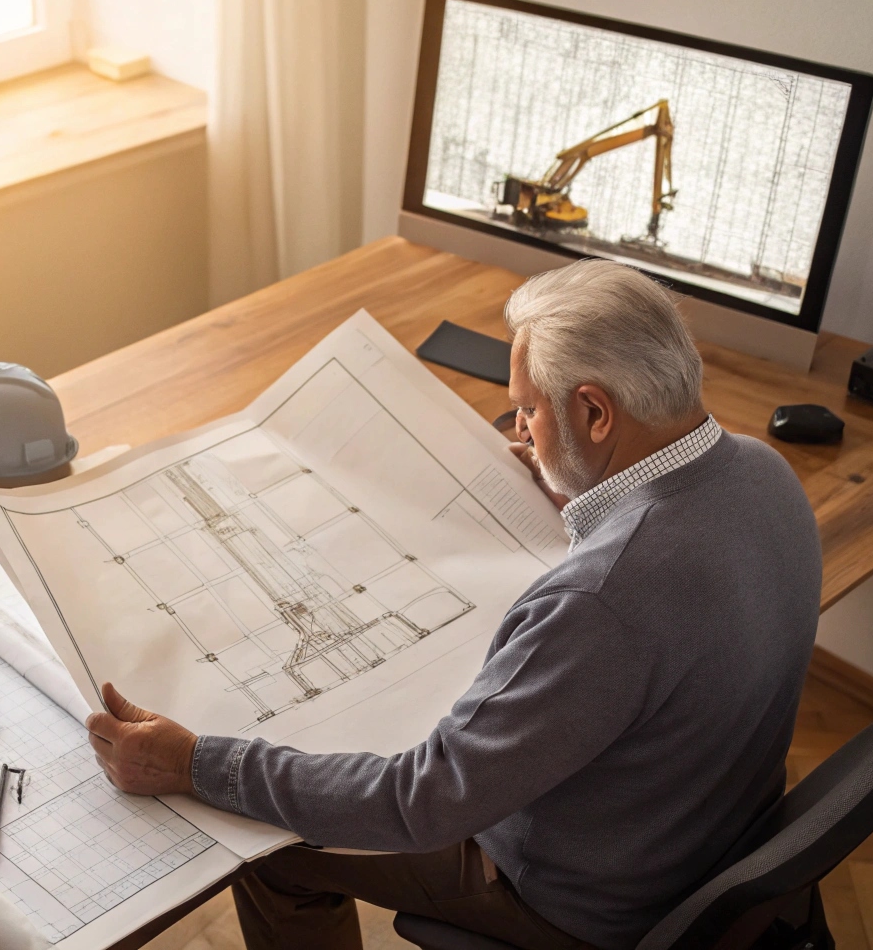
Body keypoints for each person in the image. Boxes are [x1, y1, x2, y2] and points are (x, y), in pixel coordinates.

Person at [84, 259, 822, 950]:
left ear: (595, 413)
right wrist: (576, 482)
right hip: (702, 828)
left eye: (528, 414)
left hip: (583, 899)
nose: (522, 435)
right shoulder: (766, 472)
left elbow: (420, 801)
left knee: (274, 850)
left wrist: (198, 764)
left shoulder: (598, 604)